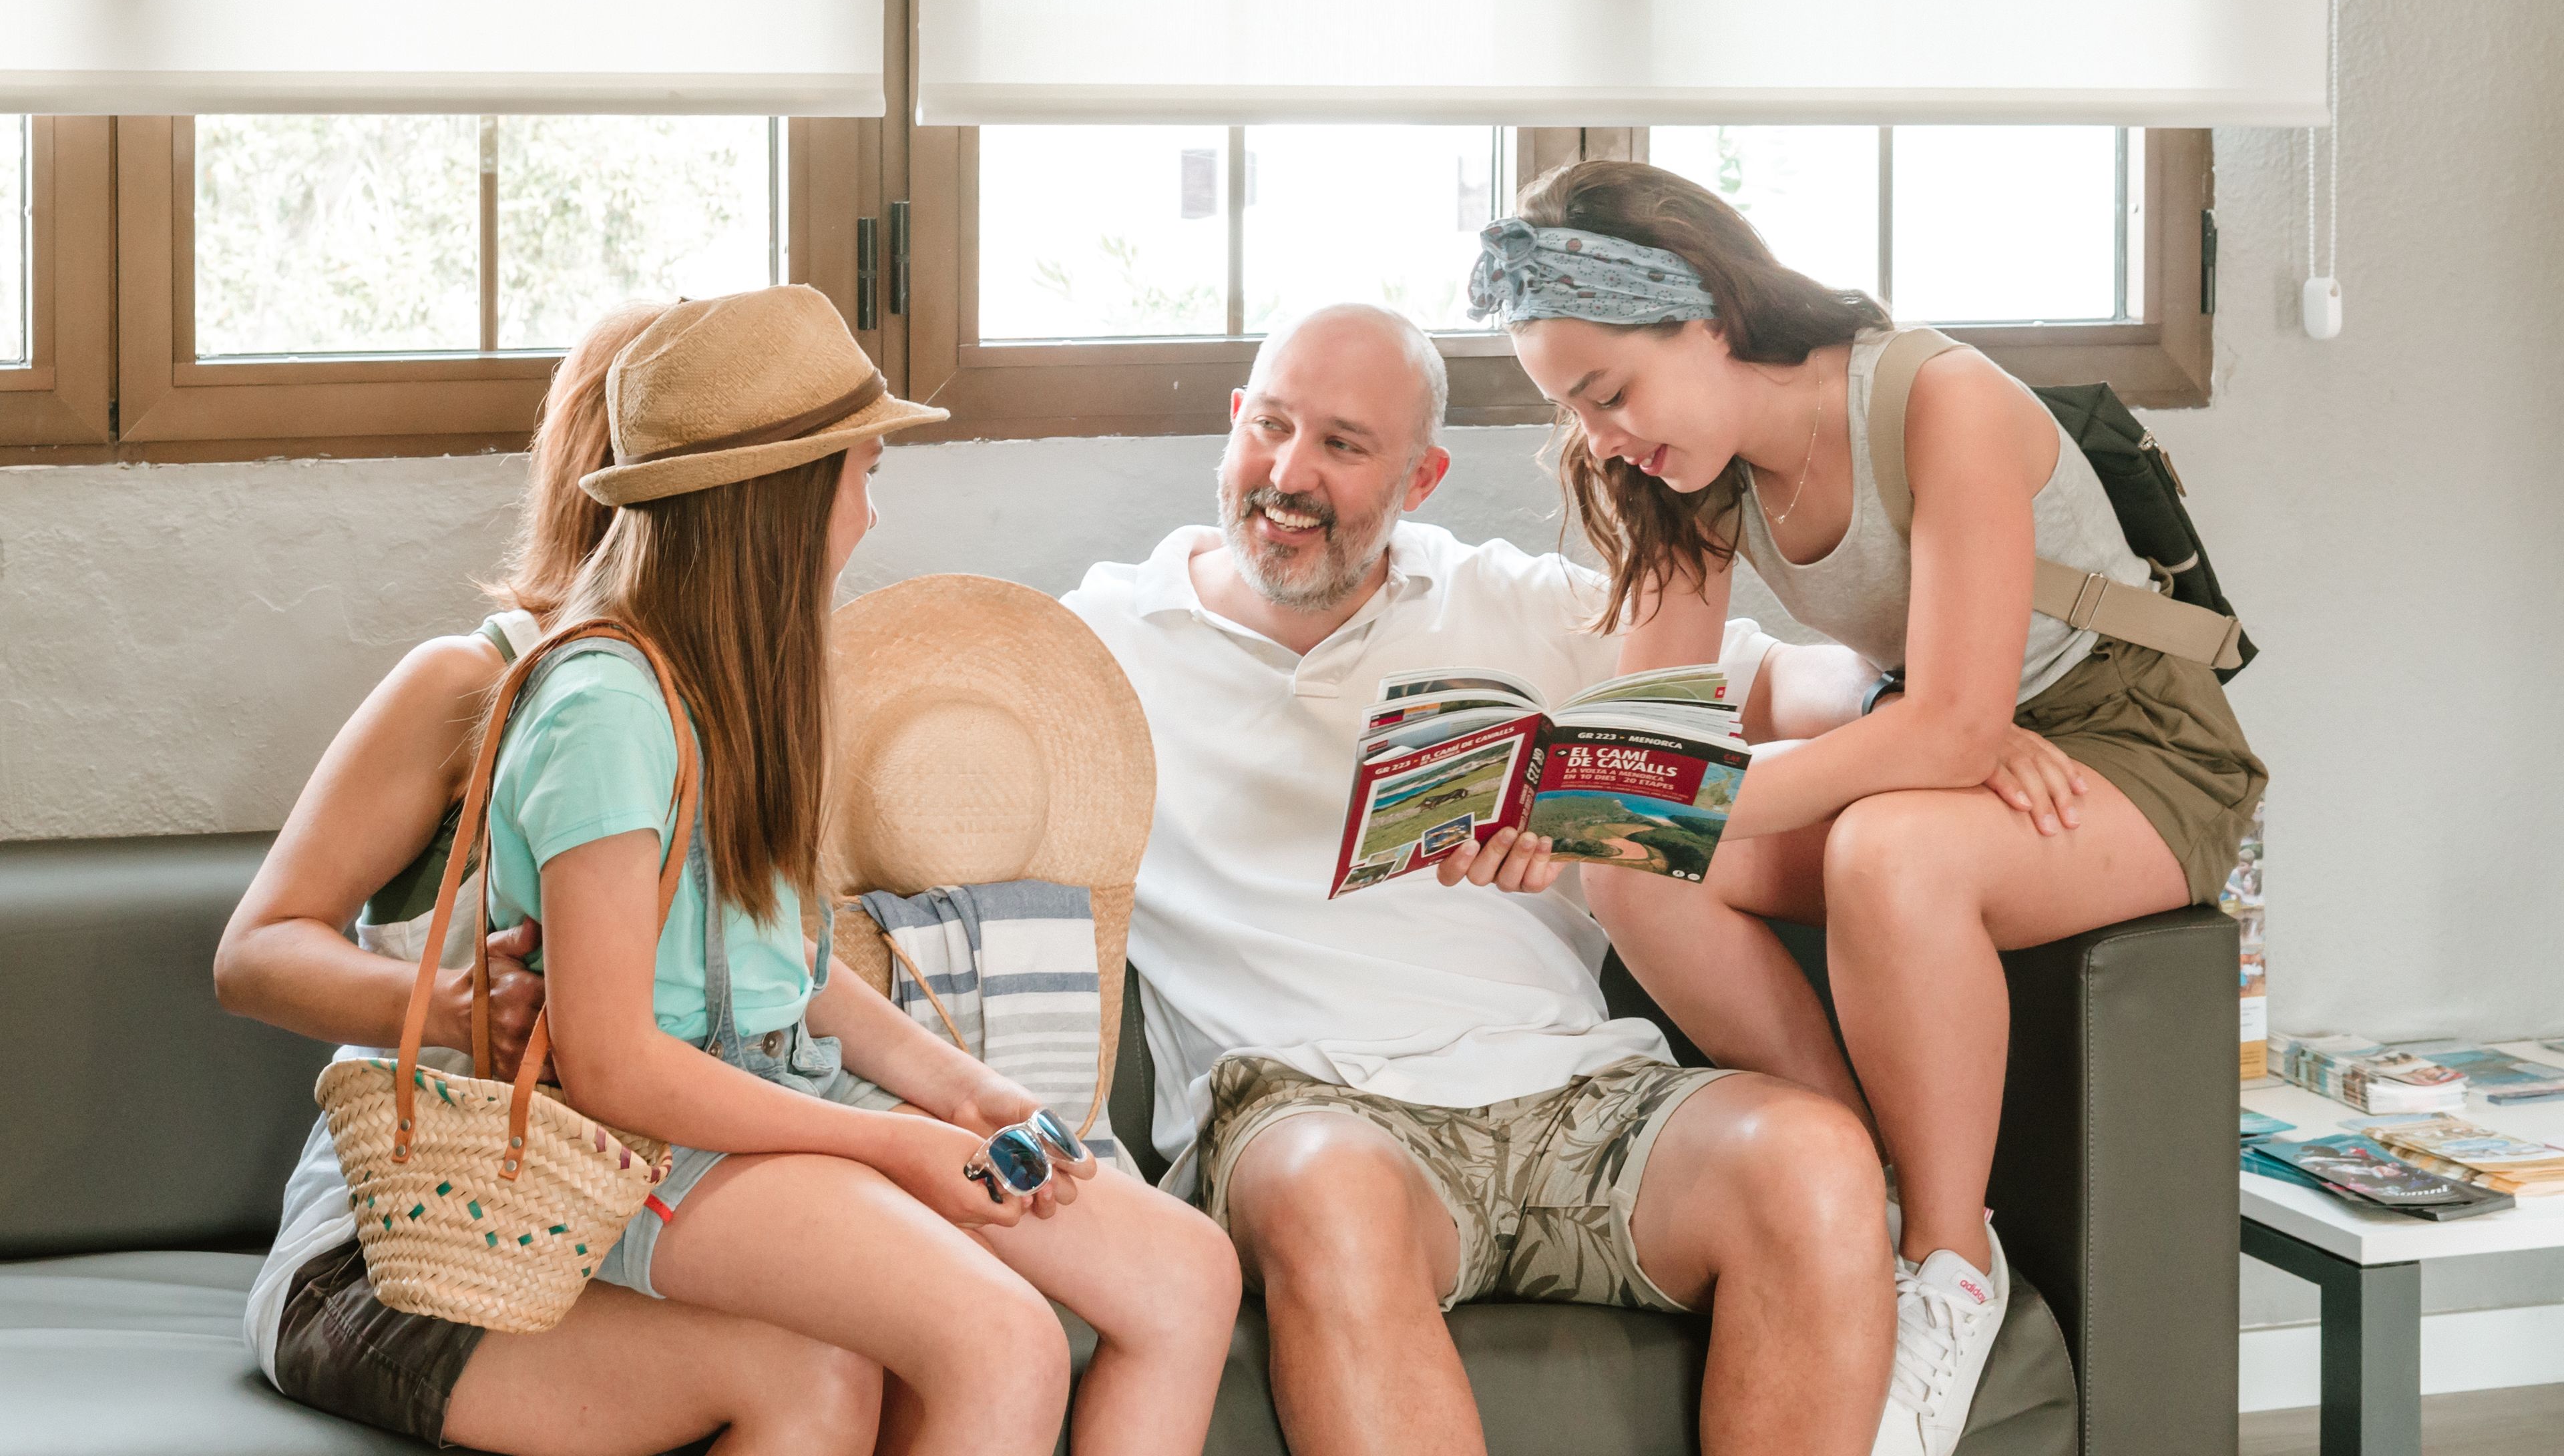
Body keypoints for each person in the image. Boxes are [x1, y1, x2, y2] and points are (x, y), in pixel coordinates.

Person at [218, 286, 1238, 1456]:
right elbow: (612, 1060)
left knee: (1186, 1274)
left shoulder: (744, 689)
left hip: (727, 1102)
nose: (872, 513)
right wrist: (899, 1138)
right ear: (777, 496)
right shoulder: (583, 700)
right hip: (556, 1160)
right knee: (981, 1339)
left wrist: (959, 1089)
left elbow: (779, 965)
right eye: (864, 474)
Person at [1485, 160, 2268, 1455]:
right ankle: (1870, 1187)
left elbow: (1955, 728)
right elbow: (1658, 737)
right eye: (1574, 407)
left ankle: (1952, 1265)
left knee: (1887, 853)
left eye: (1608, 391)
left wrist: (1760, 784)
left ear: (1710, 311)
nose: (1605, 435)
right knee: (1631, 865)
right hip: (1962, 735)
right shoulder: (1698, 470)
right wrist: (1566, 800)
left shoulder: (1937, 396)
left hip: (2138, 741)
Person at [1064, 302, 1899, 1456]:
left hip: (1578, 1095)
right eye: (1270, 427)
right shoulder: (1096, 642)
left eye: (1344, 447)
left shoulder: (1516, 601)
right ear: (1232, 425)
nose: (1289, 475)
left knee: (1814, 1159)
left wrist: (1906, 712)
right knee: (1328, 1192)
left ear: (1426, 473)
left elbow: (1771, 681)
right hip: (1315, 1111)